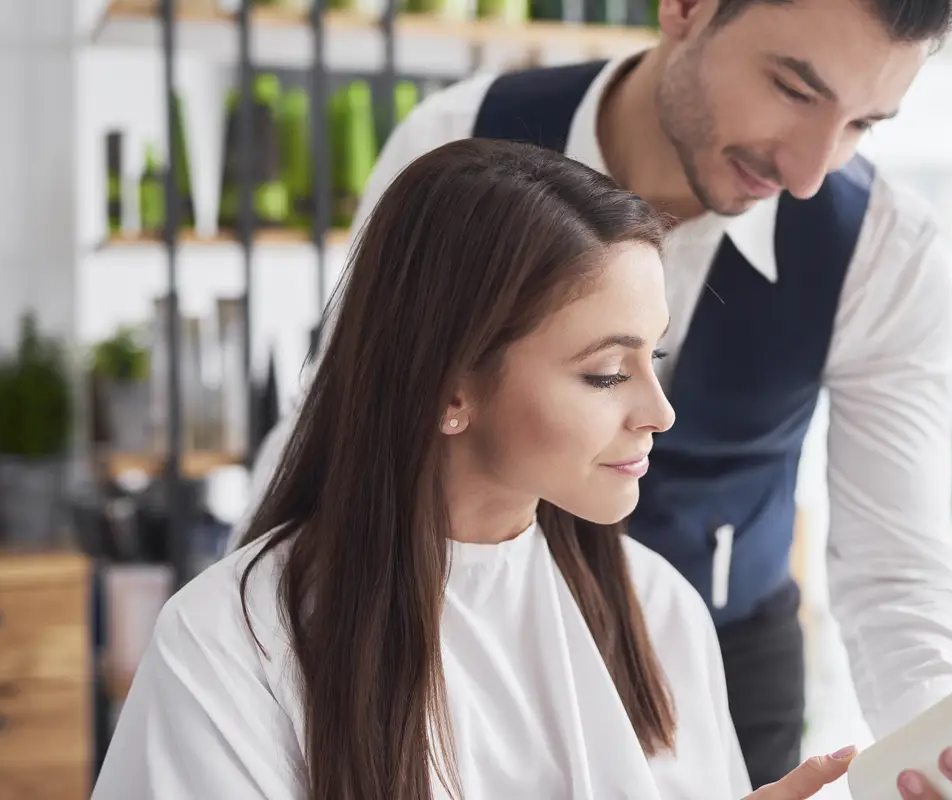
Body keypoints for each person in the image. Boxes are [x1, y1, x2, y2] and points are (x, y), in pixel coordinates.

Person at [234, 0, 952, 795]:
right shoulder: (460, 141)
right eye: (793, 87)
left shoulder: (882, 248)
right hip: (440, 642)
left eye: (862, 123)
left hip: (708, 668)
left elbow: (897, 568)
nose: (812, 168)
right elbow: (349, 408)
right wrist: (254, 624)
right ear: (685, 7)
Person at [96, 138, 851, 798]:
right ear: (451, 389)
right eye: (605, 373)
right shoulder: (233, 643)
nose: (660, 412)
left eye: (652, 357)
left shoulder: (659, 613)